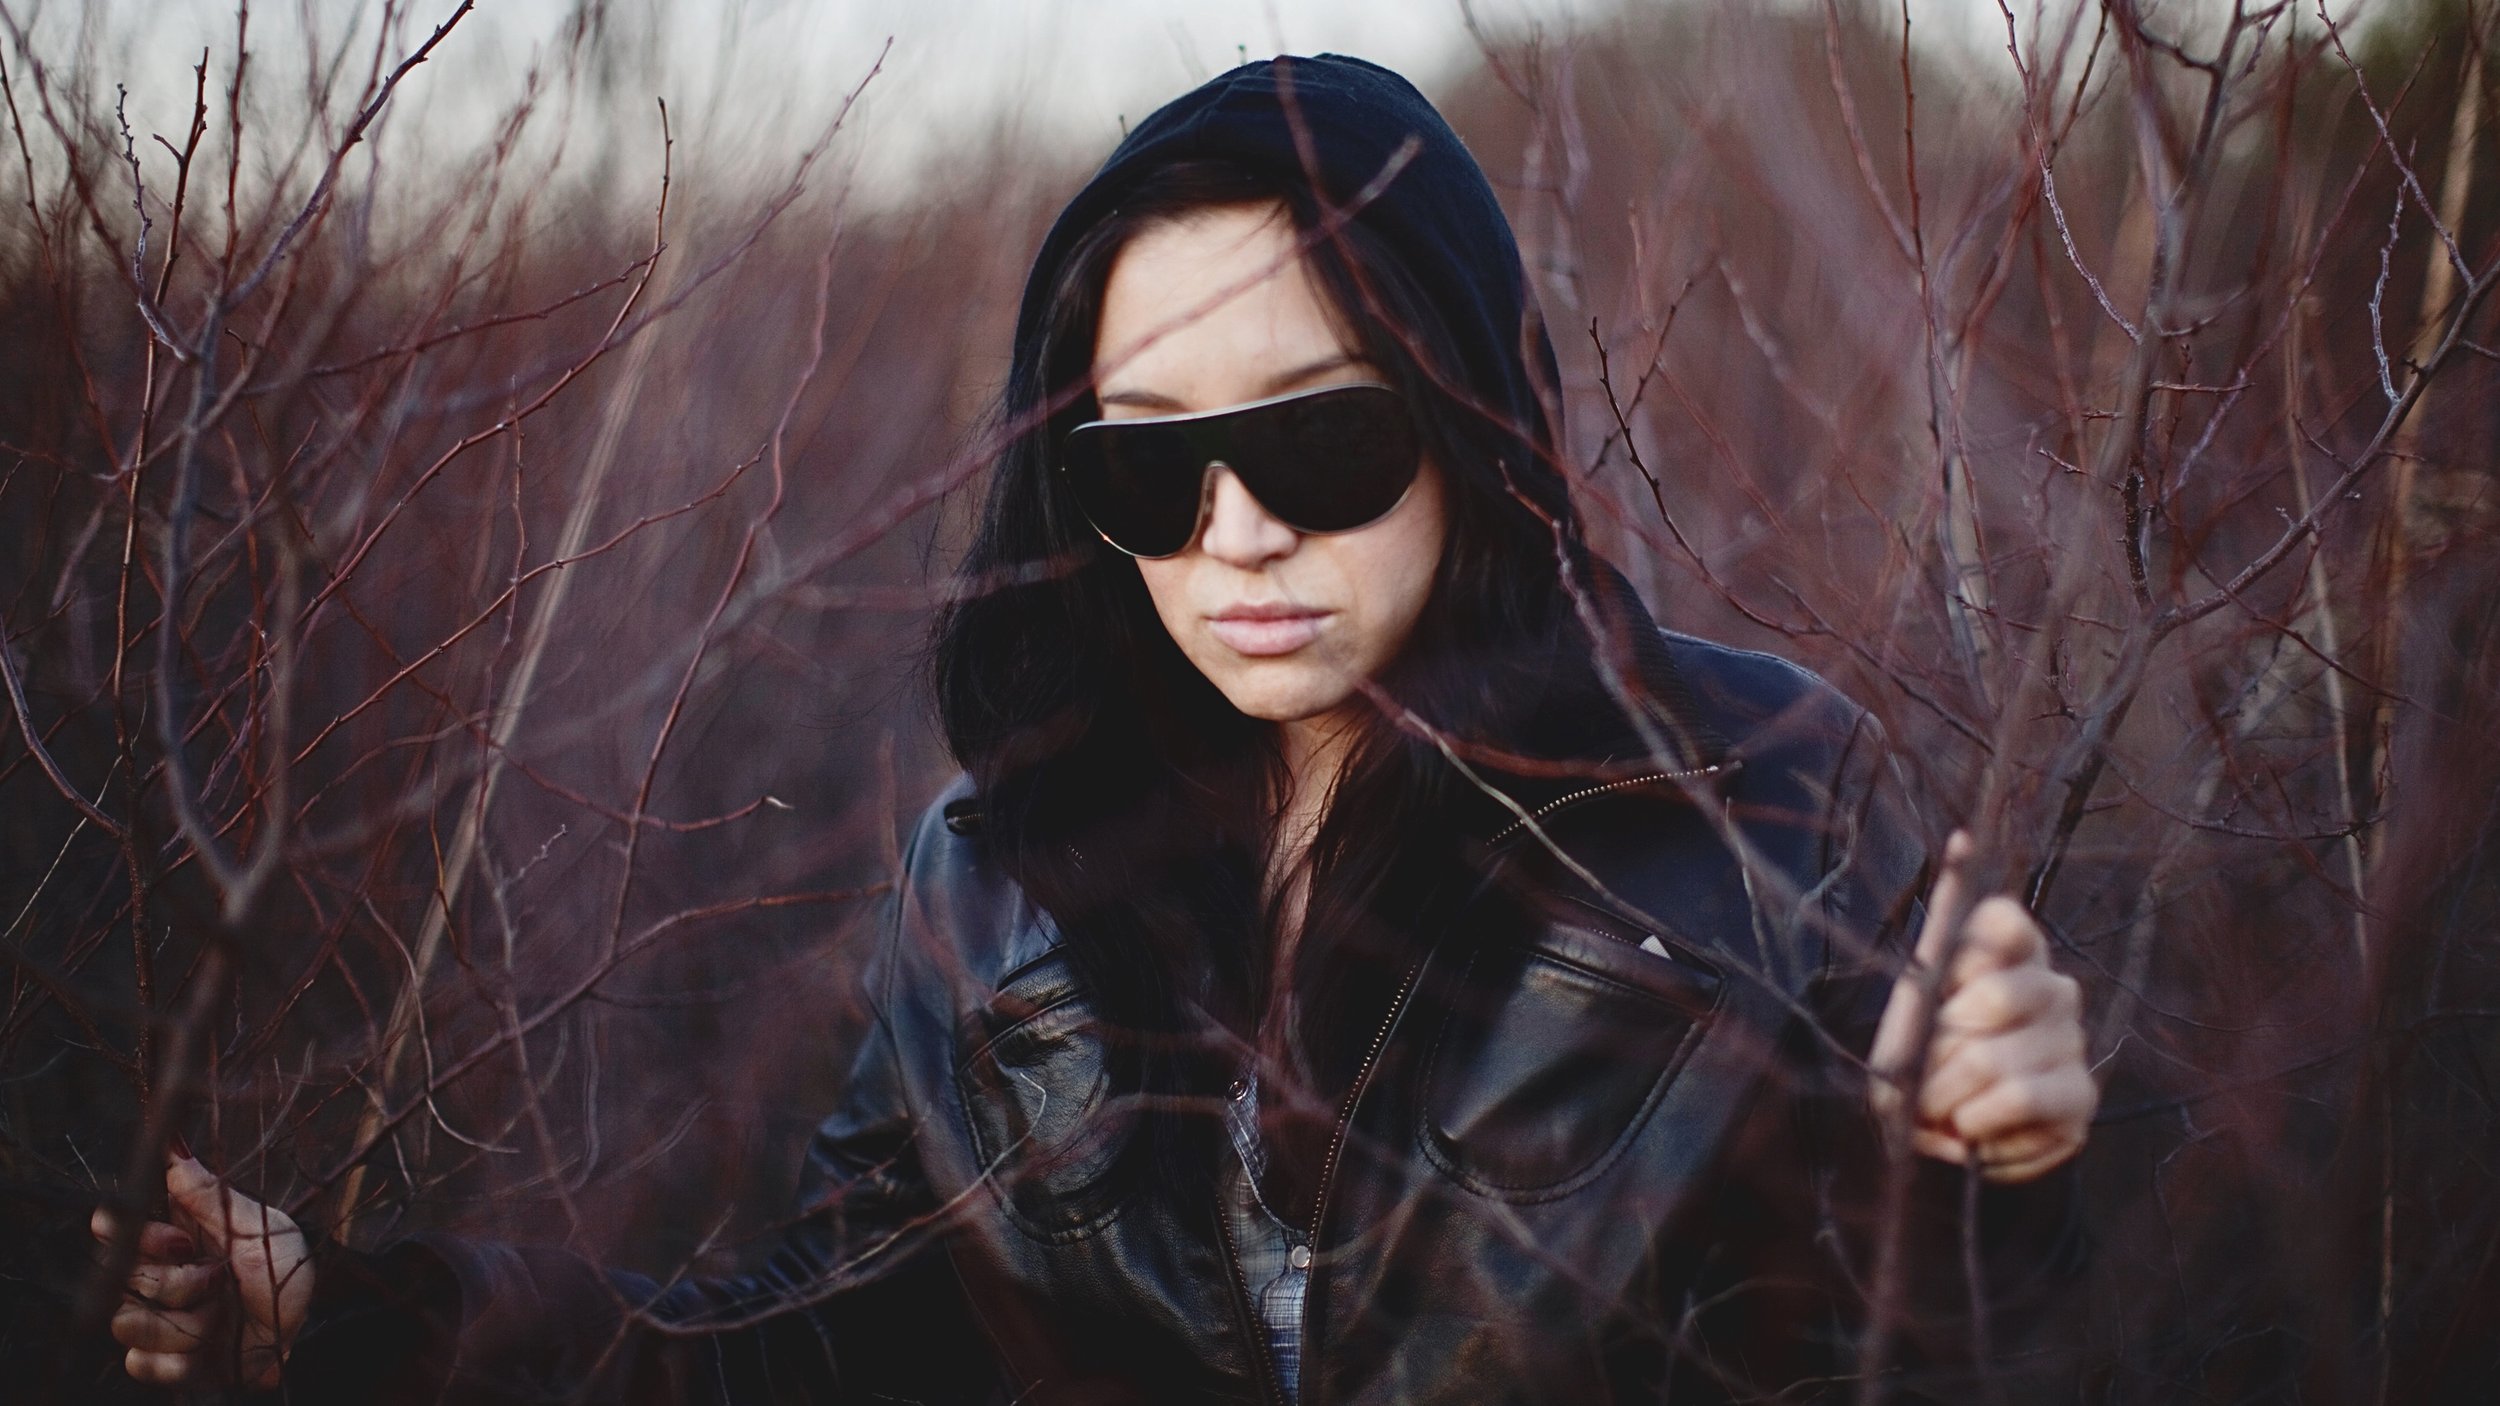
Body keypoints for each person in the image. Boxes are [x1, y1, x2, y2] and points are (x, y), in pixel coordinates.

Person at [96, 54, 2094, 1404]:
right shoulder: (1001, 872)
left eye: (1316, 438)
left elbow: (1899, 1338)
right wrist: (356, 1315)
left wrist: (2001, 1166)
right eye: (1148, 470)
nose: (1232, 533)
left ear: (1474, 421)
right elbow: (817, 1341)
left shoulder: (1746, 804)